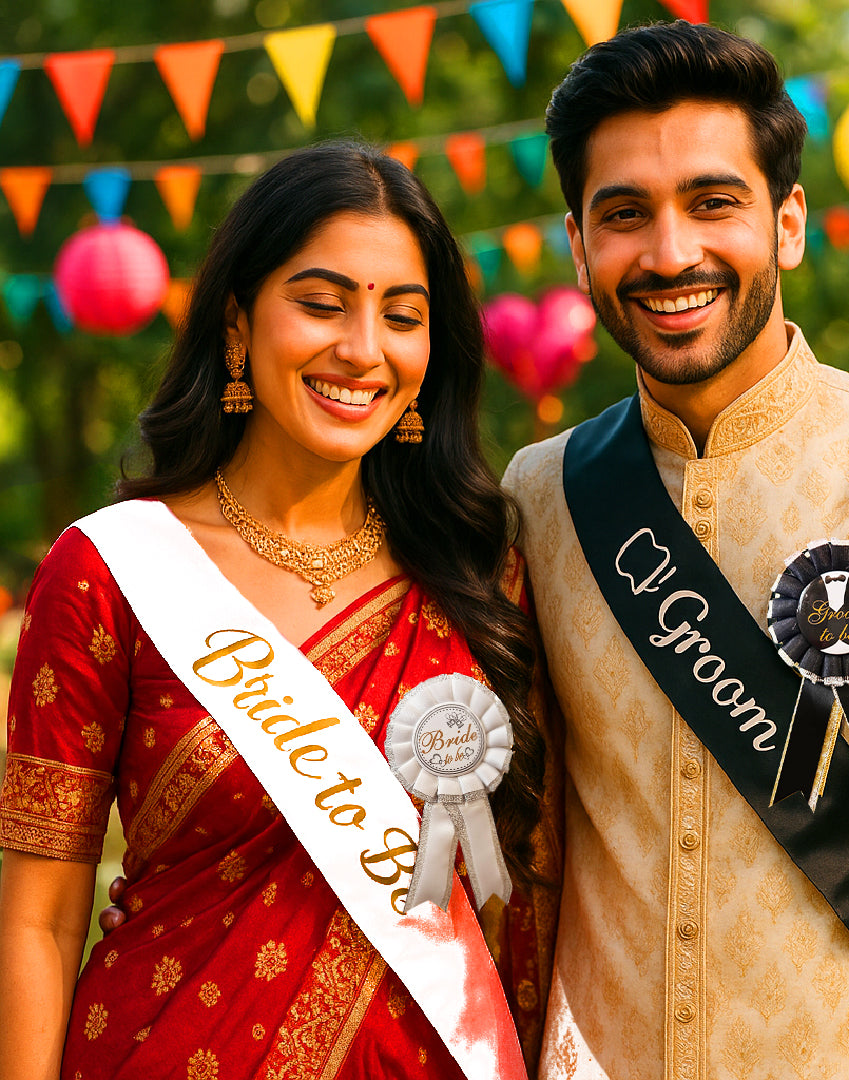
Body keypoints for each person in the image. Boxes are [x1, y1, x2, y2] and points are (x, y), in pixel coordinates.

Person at [502, 20, 849, 1080]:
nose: (671, 253)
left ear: (789, 222)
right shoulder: (538, 500)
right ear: (580, 245)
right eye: (625, 214)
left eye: (713, 203)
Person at [0, 141, 559, 1080]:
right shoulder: (112, 568)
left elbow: (528, 899)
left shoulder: (480, 576)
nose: (363, 350)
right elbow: (37, 919)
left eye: (403, 315)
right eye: (321, 303)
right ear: (237, 322)